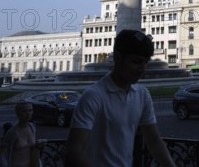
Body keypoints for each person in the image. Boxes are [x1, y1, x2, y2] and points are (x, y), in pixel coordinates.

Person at [65, 29, 176, 167]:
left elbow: (153, 139)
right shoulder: (93, 96)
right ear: (117, 58)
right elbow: (73, 151)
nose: (142, 68)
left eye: (145, 62)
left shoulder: (142, 94)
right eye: (136, 61)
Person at [0, 101, 45, 167]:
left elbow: (32, 148)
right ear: (18, 113)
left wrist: (38, 145)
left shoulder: (32, 127)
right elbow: (3, 156)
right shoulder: (12, 133)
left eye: (30, 110)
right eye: (24, 111)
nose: (28, 114)